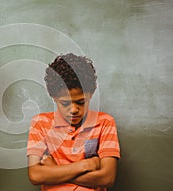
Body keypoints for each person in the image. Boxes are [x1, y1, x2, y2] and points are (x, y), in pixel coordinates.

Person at [27, 53, 120, 191]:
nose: (74, 110)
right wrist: (86, 165)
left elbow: (107, 178)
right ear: (53, 97)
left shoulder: (105, 122)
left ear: (92, 94)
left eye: (81, 102)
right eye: (65, 103)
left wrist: (54, 170)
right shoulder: (40, 123)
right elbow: (35, 175)